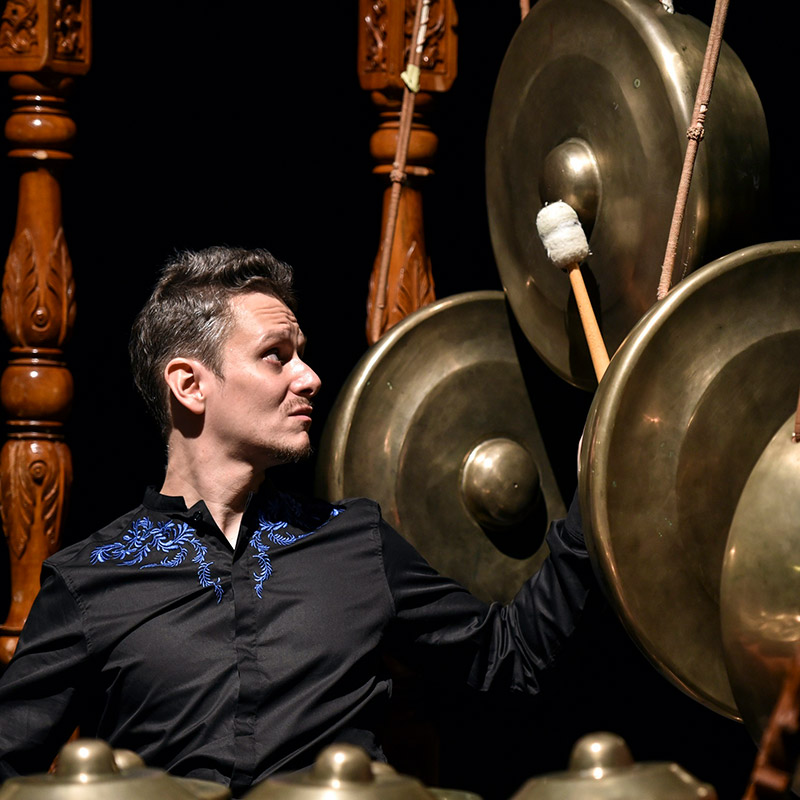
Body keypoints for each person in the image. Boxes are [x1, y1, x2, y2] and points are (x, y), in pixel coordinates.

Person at [0, 246, 594, 795]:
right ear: (189, 385)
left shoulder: (355, 541)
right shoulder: (89, 579)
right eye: (275, 356)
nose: (309, 377)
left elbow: (512, 653)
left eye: (301, 355)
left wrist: (597, 485)